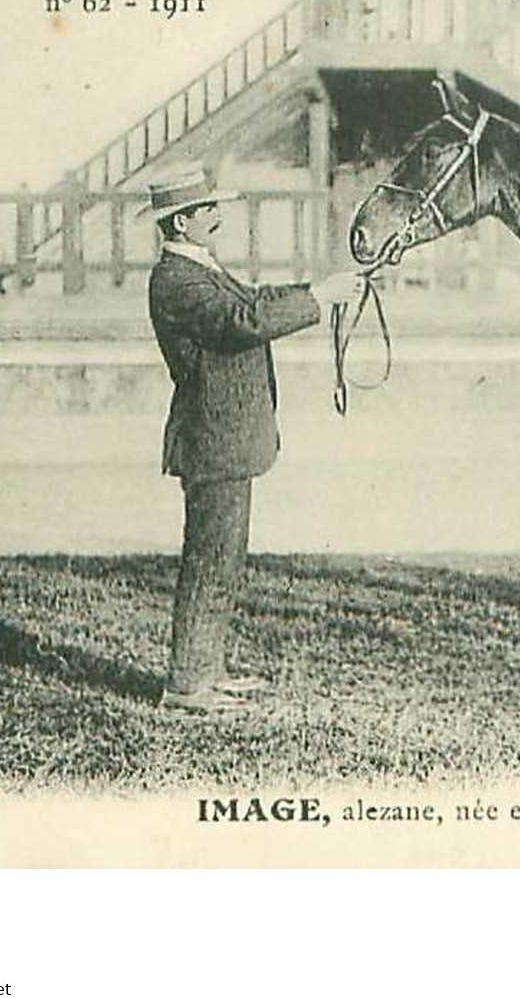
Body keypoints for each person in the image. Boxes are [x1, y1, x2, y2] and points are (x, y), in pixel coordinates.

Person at [142, 165, 361, 713]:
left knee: (223, 560)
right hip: (211, 437)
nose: (218, 217)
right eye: (208, 210)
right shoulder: (177, 280)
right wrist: (318, 301)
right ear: (183, 221)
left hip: (227, 437)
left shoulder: (198, 267)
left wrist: (318, 291)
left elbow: (256, 300)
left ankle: (206, 673)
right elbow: (241, 320)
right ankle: (188, 686)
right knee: (210, 561)